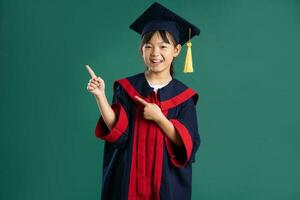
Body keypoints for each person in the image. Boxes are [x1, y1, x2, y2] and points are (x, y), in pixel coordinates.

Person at [86, 2, 201, 200]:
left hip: (166, 187)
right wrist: (101, 97)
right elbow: (118, 133)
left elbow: (187, 146)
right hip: (128, 183)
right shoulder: (127, 88)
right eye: (149, 46)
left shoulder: (184, 97)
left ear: (177, 50)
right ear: (141, 50)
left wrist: (159, 118)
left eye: (163, 46)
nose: (155, 53)